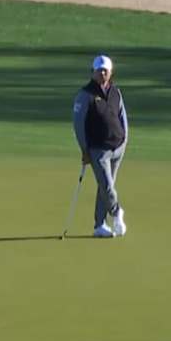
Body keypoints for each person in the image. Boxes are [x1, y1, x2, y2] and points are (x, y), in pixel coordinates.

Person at [72, 54, 129, 238]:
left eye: (106, 70)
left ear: (111, 72)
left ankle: (99, 225)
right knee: (106, 185)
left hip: (117, 147)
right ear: (93, 72)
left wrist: (124, 140)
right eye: (99, 70)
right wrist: (84, 149)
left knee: (106, 185)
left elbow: (123, 118)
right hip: (98, 149)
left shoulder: (115, 92)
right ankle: (117, 211)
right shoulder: (85, 94)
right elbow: (78, 124)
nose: (102, 73)